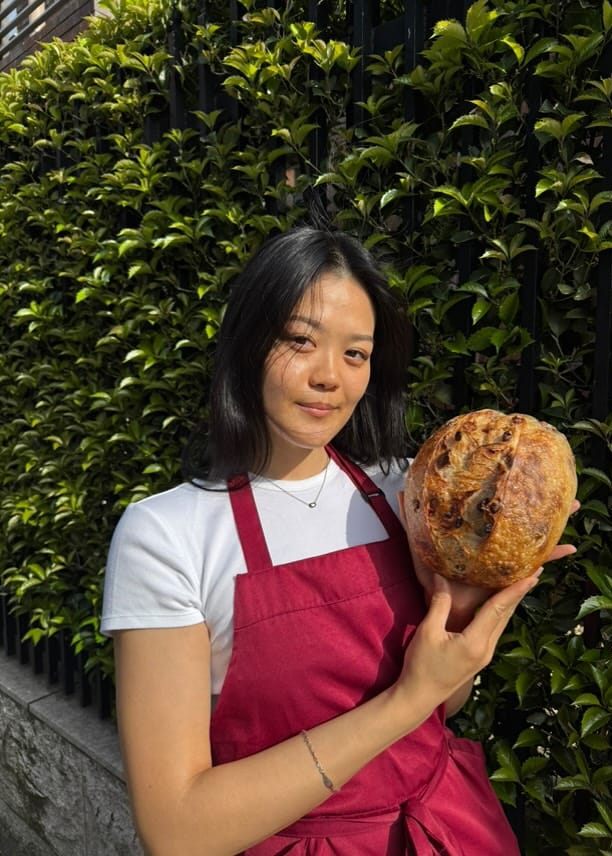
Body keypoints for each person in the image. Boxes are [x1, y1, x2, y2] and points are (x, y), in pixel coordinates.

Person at [100, 226, 577, 855]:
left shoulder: (407, 494)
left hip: (448, 828)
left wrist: (462, 611)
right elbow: (177, 831)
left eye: (356, 353)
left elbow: (445, 704)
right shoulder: (166, 536)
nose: (330, 376)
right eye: (300, 341)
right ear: (247, 342)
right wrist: (409, 698)